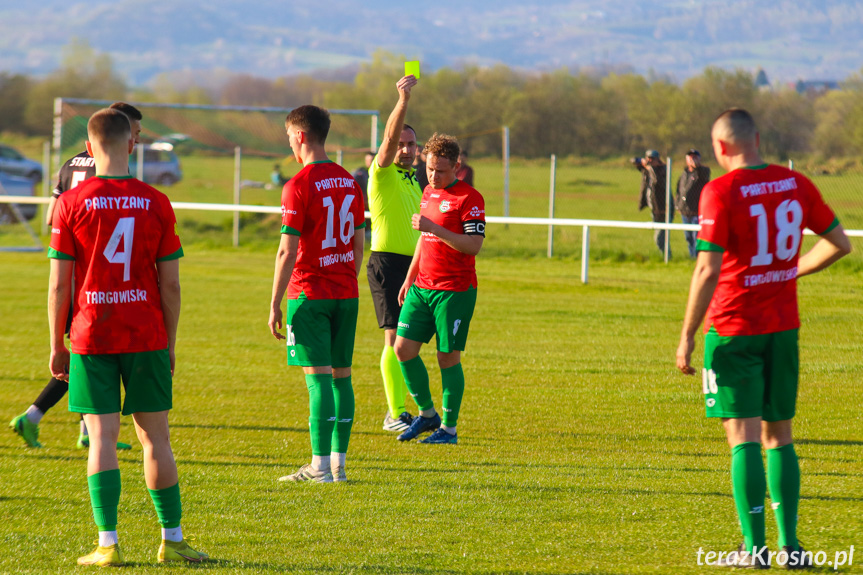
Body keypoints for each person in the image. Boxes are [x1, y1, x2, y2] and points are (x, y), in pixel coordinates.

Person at [676, 109, 851, 569]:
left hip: (733, 328)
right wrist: (791, 269)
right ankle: (792, 547)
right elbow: (839, 243)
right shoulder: (796, 183)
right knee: (781, 436)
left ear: (719, 147)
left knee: (742, 437)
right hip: (783, 328)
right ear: (757, 139)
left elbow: (707, 267)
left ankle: (754, 548)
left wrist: (687, 335)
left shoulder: (719, 191)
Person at [48, 108, 207, 566]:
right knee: (155, 439)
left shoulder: (71, 203)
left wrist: (57, 344)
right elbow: (171, 284)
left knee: (101, 439)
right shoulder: (157, 201)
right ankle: (173, 540)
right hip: (146, 333)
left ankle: (108, 544)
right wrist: (170, 342)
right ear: (132, 144)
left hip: (92, 332)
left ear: (89, 146)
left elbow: (60, 284)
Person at [10, 101, 142, 451]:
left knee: (83, 354)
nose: (137, 141)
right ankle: (33, 416)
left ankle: (86, 431)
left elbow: (54, 216)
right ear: (122, 133)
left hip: (67, 267)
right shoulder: (117, 175)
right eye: (135, 134)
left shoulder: (70, 163)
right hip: (93, 283)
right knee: (83, 356)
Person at [268, 105, 365, 483]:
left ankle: (319, 465)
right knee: (343, 377)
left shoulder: (298, 184)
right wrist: (344, 278)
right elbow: (359, 245)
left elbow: (286, 250)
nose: (289, 142)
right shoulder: (349, 181)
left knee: (318, 379)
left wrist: (274, 302)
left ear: (301, 136)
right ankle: (338, 465)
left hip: (309, 292)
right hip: (346, 292)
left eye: (289, 135)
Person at [394, 133, 485, 445]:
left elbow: (473, 246)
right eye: (430, 169)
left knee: (447, 358)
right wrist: (409, 277)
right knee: (402, 349)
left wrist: (434, 228)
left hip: (454, 290)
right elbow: (424, 240)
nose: (433, 176)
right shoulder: (428, 192)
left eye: (441, 171)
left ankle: (448, 429)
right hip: (422, 287)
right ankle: (427, 414)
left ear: (457, 166)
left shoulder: (469, 199)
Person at [367, 75, 423, 433]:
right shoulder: (382, 173)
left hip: (415, 267)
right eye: (402, 143)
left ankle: (418, 409)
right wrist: (402, 101)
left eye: (411, 144)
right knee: (393, 337)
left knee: (410, 341)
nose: (405, 148)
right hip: (387, 263)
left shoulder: (416, 180)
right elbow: (388, 139)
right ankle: (394, 412)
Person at [633, 149, 673, 257]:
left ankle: (668, 257)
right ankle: (666, 257)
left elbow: (657, 181)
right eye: (648, 158)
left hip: (664, 209)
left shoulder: (662, 170)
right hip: (654, 209)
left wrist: (650, 168)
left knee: (659, 238)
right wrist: (641, 162)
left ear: (658, 160)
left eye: (652, 159)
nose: (650, 161)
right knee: (660, 238)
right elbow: (633, 161)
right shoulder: (647, 169)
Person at [675, 149, 711, 259]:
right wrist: (678, 205)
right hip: (685, 211)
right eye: (690, 157)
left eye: (695, 157)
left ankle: (698, 259)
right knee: (688, 237)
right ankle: (692, 258)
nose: (692, 159)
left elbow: (705, 177)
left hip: (696, 211)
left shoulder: (703, 171)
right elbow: (679, 190)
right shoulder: (684, 173)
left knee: (697, 237)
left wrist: (697, 167)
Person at [352, 150, 375, 240]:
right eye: (368, 160)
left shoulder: (381, 174)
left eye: (372, 160)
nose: (370, 162)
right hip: (364, 204)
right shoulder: (360, 174)